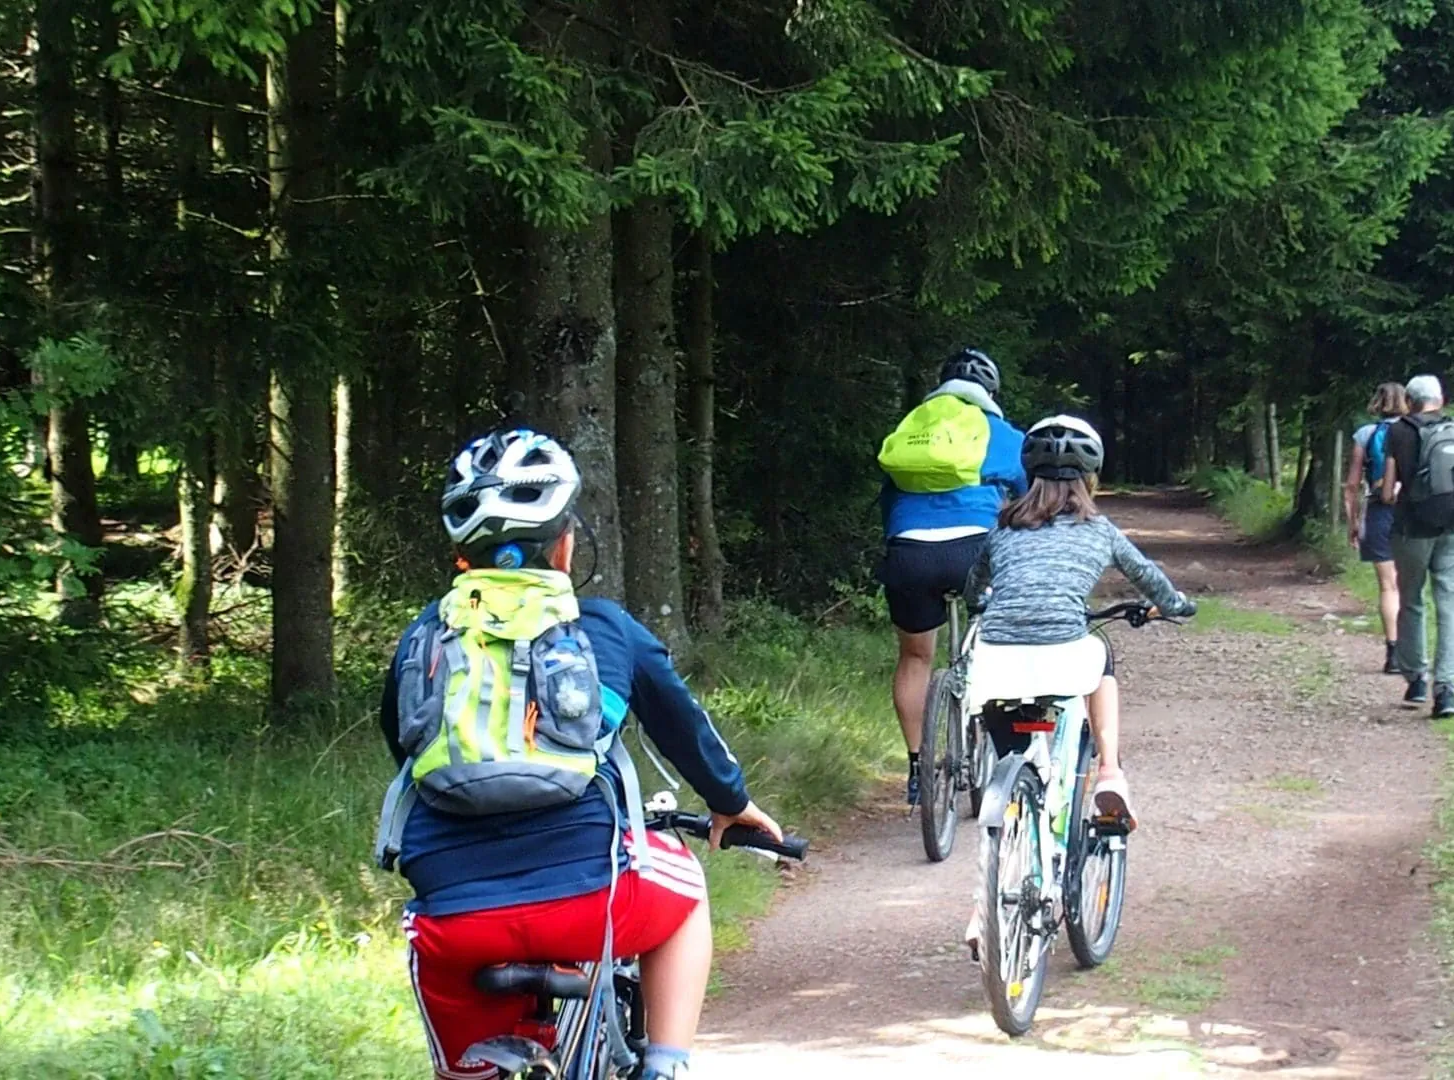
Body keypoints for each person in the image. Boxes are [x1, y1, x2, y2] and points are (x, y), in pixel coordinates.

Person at [375, 428, 782, 1080]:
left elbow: (403, 745)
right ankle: (666, 1065)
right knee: (687, 893)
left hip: (453, 915)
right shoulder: (607, 632)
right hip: (595, 898)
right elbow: (686, 731)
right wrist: (732, 803)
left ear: (461, 555)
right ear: (565, 544)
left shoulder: (421, 640)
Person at [959, 415, 1194, 951]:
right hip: (1065, 658)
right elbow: (1151, 580)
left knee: (1007, 776)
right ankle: (1110, 770)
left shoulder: (1003, 527)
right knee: (1100, 654)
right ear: (1091, 477)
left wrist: (985, 602)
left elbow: (974, 586)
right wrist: (1175, 605)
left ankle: (981, 912)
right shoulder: (1100, 531)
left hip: (996, 665)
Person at [877, 347, 1027, 805]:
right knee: (1003, 641)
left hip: (908, 553)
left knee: (916, 657)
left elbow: (887, 503)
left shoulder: (912, 432)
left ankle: (918, 768)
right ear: (991, 392)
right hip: (974, 550)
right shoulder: (1002, 434)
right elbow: (1025, 503)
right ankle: (1006, 754)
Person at [1380, 374, 1454, 719]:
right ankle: (1447, 689)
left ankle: (1416, 680)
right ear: (1440, 399)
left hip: (1412, 530)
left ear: (1409, 401)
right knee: (1452, 604)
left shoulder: (1398, 431)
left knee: (1410, 600)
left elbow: (1387, 491)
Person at [1345, 382, 1412, 673]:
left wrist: (1353, 522)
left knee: (1388, 586)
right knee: (1412, 583)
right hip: (1413, 510)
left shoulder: (1365, 433)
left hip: (1379, 511)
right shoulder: (1416, 430)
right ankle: (1415, 650)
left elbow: (1351, 484)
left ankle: (1393, 653)